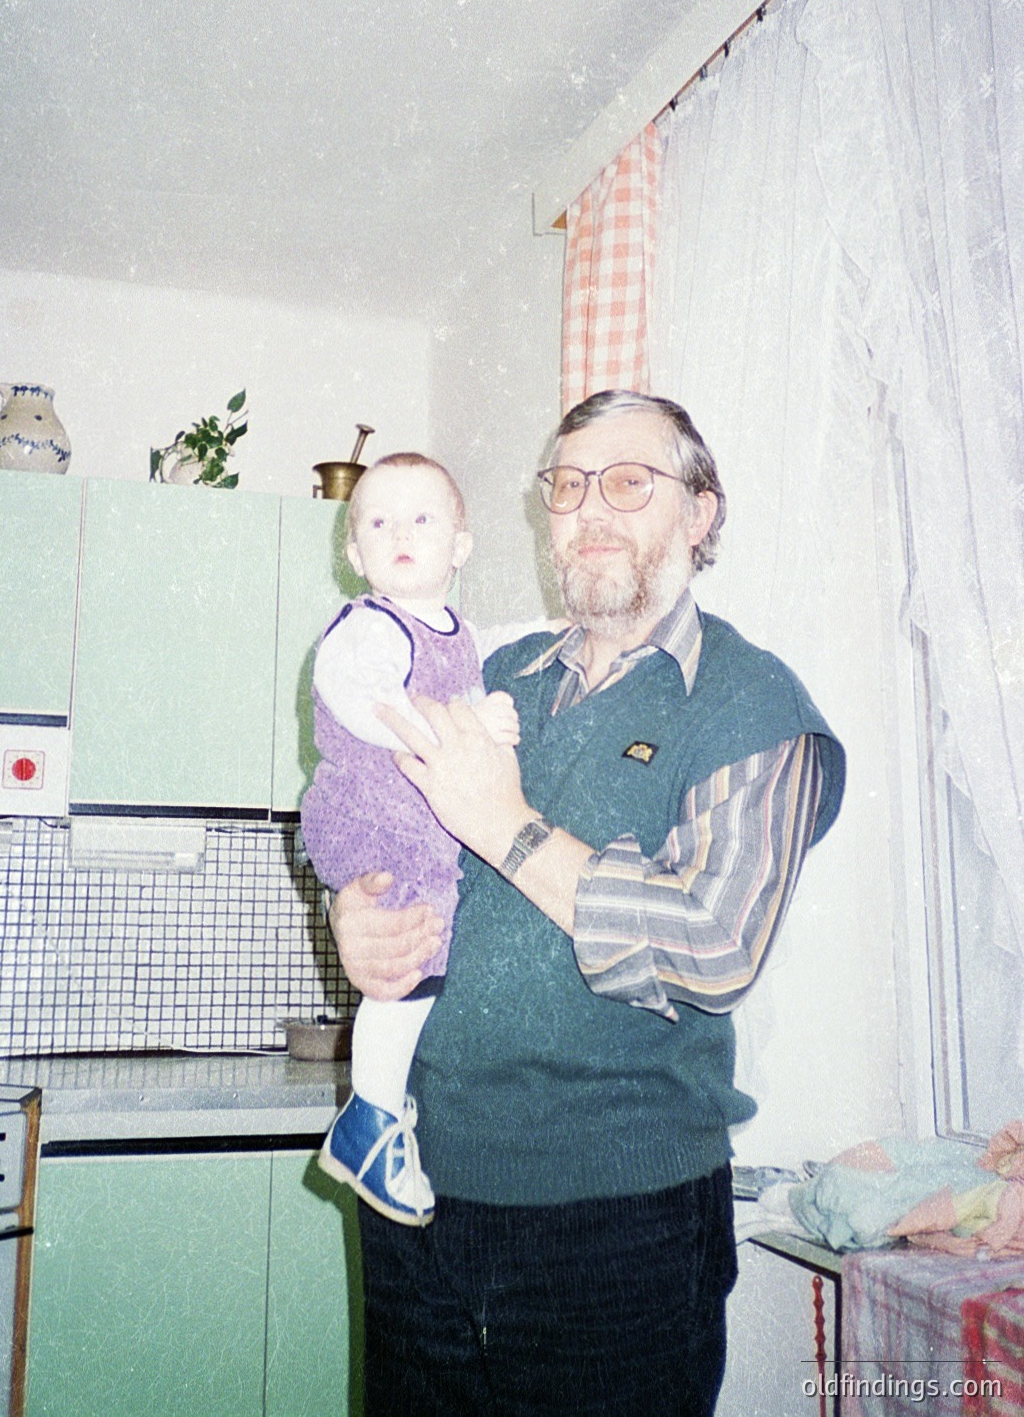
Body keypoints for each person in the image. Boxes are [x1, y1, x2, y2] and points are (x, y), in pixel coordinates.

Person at [329, 390, 846, 1417]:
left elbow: (712, 947)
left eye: (627, 482)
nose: (588, 508)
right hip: (415, 1190)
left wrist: (507, 823)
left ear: (699, 515)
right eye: (566, 486)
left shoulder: (752, 703)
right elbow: (375, 809)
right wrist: (354, 908)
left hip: (614, 1224)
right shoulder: (494, 669)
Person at [300, 451, 521, 1226]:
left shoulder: (459, 629)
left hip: (410, 827)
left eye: (422, 518)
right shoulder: (368, 627)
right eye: (378, 521)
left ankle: (380, 1110)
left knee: (423, 956)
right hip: (369, 818)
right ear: (355, 555)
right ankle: (371, 1117)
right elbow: (363, 700)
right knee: (412, 959)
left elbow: (488, 659)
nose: (399, 532)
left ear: (460, 545)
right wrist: (459, 724)